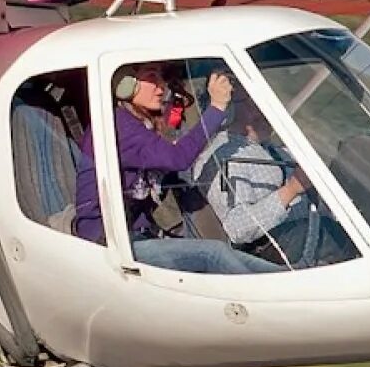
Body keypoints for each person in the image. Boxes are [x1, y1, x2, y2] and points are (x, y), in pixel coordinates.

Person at [72, 63, 273, 274]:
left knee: (229, 254)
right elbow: (178, 159)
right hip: (107, 242)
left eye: (161, 79)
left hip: (134, 234)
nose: (161, 88)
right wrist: (217, 108)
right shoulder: (120, 127)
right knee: (213, 254)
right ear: (124, 86)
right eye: (151, 78)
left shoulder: (136, 123)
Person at [192, 91, 353, 270]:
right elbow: (237, 227)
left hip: (323, 234)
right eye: (254, 102)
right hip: (297, 256)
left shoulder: (267, 148)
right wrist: (291, 189)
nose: (265, 108)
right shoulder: (225, 157)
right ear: (231, 108)